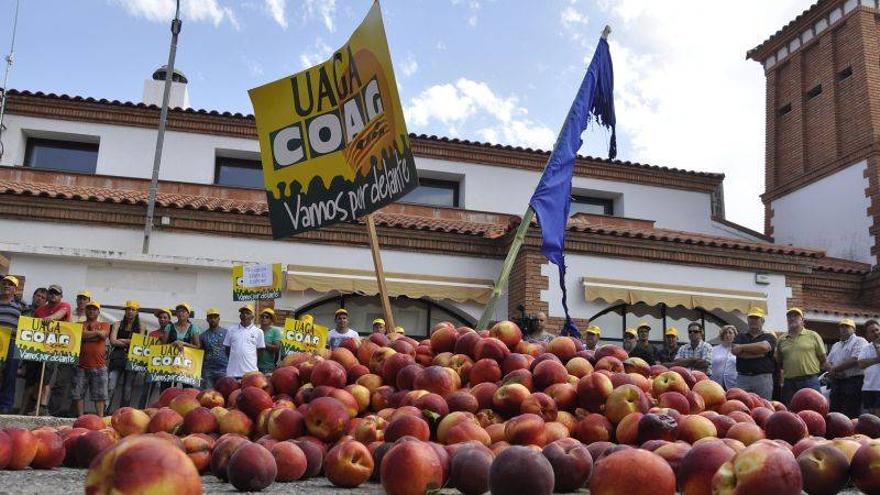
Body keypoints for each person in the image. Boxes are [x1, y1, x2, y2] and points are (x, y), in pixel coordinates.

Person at [776, 307, 827, 405]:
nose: (792, 318)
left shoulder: (813, 335)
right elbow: (780, 362)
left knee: (815, 408)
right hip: (789, 383)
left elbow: (823, 359)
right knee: (791, 412)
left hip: (810, 381)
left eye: (795, 316)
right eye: (789, 317)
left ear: (802, 320)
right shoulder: (781, 339)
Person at [36, 284, 73, 417]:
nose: (53, 295)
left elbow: (60, 315)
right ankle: (42, 407)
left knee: (61, 382)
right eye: (51, 293)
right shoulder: (40, 310)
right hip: (45, 349)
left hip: (64, 349)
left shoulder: (65, 306)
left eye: (56, 293)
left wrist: (49, 319)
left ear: (61, 296)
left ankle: (54, 411)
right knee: (44, 379)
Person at [72, 301, 110, 416]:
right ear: (85, 310)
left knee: (100, 396)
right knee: (78, 394)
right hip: (81, 365)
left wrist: (87, 335)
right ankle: (80, 418)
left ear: (98, 312)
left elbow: (103, 335)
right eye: (89, 309)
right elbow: (79, 335)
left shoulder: (105, 324)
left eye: (94, 309)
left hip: (99, 366)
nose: (91, 311)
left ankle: (100, 419)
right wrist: (96, 334)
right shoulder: (79, 324)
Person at [732, 308, 777, 400]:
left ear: (762, 321)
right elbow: (735, 350)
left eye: (756, 318)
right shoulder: (740, 336)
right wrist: (759, 353)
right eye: (751, 318)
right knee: (740, 407)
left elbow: (764, 347)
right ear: (748, 321)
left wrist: (742, 347)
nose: (753, 321)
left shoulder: (769, 336)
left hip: (763, 378)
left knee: (764, 407)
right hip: (743, 377)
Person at [826, 318, 868, 418]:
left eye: (847, 326)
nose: (844, 329)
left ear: (854, 329)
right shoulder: (836, 345)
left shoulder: (860, 341)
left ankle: (850, 433)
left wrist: (834, 370)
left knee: (850, 411)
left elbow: (855, 359)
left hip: (853, 382)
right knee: (835, 411)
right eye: (842, 327)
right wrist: (833, 372)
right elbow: (828, 362)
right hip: (837, 382)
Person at [106, 300, 141, 413]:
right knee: (111, 384)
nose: (130, 312)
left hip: (132, 360)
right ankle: (105, 411)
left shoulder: (141, 326)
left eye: (133, 309)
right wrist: (130, 342)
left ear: (137, 312)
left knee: (127, 389)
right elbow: (112, 341)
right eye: (128, 309)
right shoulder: (117, 324)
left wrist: (122, 340)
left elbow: (139, 343)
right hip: (117, 359)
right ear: (125, 311)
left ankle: (123, 414)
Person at [20, 287, 48, 414]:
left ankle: (33, 410)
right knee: (29, 383)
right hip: (25, 352)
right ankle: (21, 411)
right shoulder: (24, 310)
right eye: (38, 295)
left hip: (42, 353)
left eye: (43, 297)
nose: (39, 298)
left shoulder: (48, 314)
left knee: (40, 383)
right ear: (33, 296)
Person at [0, 276, 23, 414]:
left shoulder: (22, 306)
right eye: (5, 284)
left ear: (15, 289)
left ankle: (6, 405)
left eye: (10, 284)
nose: (7, 286)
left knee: (10, 374)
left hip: (13, 343)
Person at [224, 304, 265, 379]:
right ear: (240, 316)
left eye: (248, 313)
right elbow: (227, 350)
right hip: (232, 373)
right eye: (243, 313)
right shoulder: (231, 330)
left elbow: (260, 351)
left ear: (252, 316)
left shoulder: (258, 332)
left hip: (250, 373)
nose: (245, 315)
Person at [199, 308, 228, 390]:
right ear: (207, 320)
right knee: (208, 395)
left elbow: (231, 350)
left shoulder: (227, 333)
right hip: (208, 371)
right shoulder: (202, 336)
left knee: (223, 394)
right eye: (210, 318)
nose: (213, 320)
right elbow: (201, 353)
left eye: (215, 317)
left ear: (219, 319)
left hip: (223, 369)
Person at [858, 320, 880, 415]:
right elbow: (861, 364)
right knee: (871, 419)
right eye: (872, 331)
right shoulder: (866, 348)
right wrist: (877, 359)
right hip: (869, 388)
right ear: (867, 335)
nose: (876, 333)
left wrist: (878, 345)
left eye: (877, 330)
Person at [711, 325, 738, 390]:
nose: (727, 335)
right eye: (725, 333)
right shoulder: (713, 349)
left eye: (730, 333)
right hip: (715, 384)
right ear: (722, 335)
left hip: (734, 384)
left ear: (735, 335)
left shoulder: (738, 349)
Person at [257, 308, 282, 373]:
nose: (264, 318)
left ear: (271, 320)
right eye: (262, 316)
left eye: (267, 317)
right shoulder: (255, 331)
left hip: (267, 367)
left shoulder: (275, 331)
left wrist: (262, 344)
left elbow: (277, 348)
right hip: (254, 366)